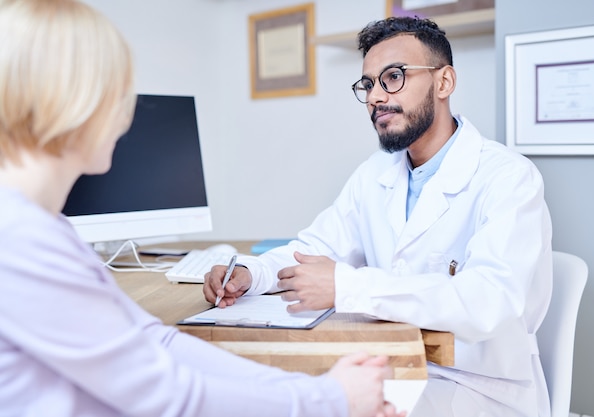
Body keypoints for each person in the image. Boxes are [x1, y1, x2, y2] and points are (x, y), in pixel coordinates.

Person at [0, 1, 406, 416]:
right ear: (70, 101)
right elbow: (169, 397)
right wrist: (332, 400)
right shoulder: (19, 238)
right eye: (116, 92)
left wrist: (322, 390)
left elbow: (156, 342)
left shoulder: (42, 227)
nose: (124, 113)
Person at [204, 16, 553, 417]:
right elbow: (314, 250)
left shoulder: (508, 177)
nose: (374, 97)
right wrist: (252, 275)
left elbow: (487, 302)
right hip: (394, 370)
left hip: (480, 390)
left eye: (393, 77)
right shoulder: (375, 174)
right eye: (368, 84)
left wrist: (348, 286)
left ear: (444, 82)